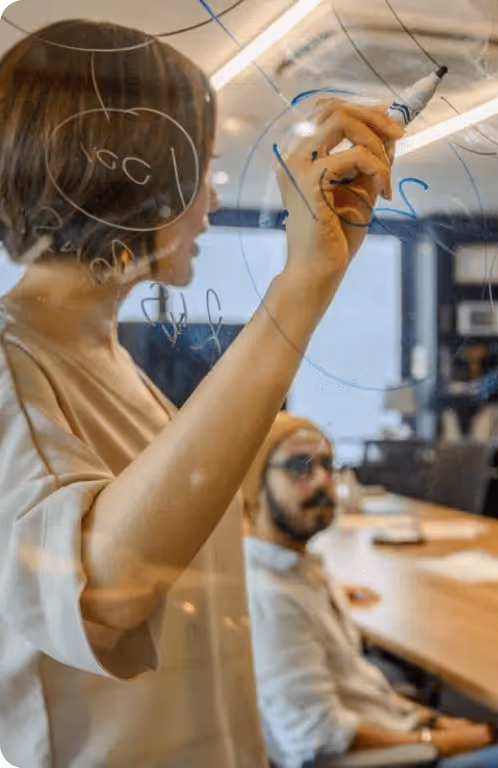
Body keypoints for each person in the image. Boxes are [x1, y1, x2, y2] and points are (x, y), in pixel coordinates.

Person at [0, 19, 401, 767]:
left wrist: (312, 279)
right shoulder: (10, 364)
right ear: (130, 176)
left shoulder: (115, 368)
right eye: (198, 174)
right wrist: (300, 287)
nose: (210, 203)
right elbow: (103, 594)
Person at [242, 413, 498, 768]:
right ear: (254, 483)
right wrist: (445, 741)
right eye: (300, 468)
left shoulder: (297, 571)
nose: (322, 481)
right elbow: (318, 741)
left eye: (326, 464)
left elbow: (362, 690)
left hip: (396, 730)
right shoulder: (273, 598)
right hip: (394, 759)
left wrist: (433, 721)